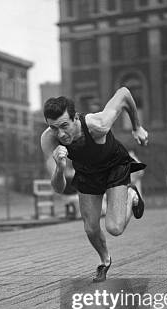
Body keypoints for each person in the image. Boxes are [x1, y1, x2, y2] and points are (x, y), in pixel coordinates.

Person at [41, 88, 148, 282]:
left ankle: (132, 196)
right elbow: (58, 187)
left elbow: (124, 94)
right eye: (54, 127)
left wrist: (137, 127)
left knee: (114, 228)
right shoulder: (48, 140)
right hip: (88, 173)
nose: (61, 134)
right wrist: (59, 168)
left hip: (113, 165)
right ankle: (105, 261)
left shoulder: (98, 124)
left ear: (75, 118)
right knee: (91, 229)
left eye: (64, 125)